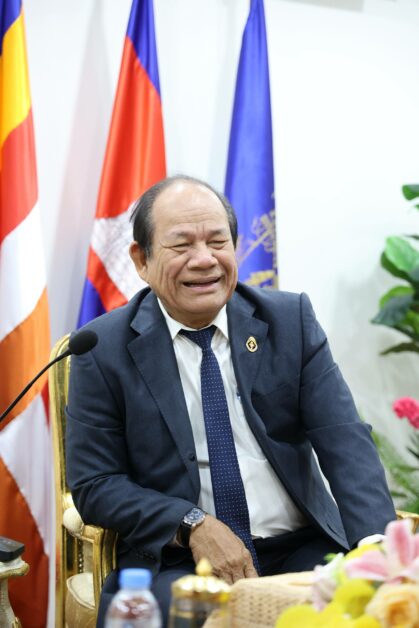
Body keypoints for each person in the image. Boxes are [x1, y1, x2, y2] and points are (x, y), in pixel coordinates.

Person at [66, 175, 395, 627]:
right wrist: (191, 524)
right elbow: (96, 484)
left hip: (300, 547)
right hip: (177, 560)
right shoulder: (103, 348)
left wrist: (376, 551)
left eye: (218, 241)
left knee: (353, 611)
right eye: (181, 245)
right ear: (141, 260)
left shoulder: (289, 321)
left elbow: (345, 441)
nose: (205, 259)